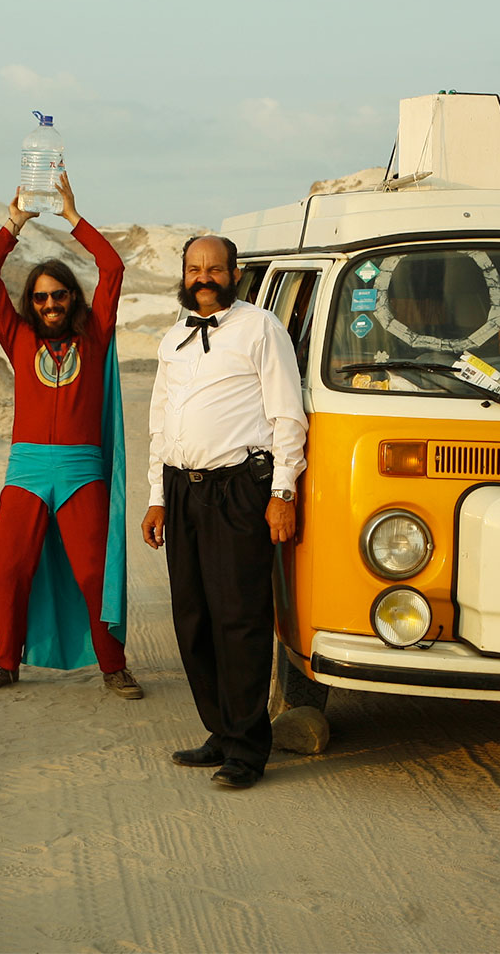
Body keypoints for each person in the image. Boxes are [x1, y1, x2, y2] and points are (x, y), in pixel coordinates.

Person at [141, 236, 307, 790]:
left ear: (234, 274)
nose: (203, 277)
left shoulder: (261, 328)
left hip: (239, 490)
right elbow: (160, 424)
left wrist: (283, 493)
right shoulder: (172, 339)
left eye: (214, 268)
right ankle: (219, 730)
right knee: (193, 618)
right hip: (182, 490)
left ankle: (247, 746)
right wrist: (157, 497)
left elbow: (288, 416)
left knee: (240, 618)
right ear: (183, 275)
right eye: (194, 268)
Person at [0, 172, 141, 699]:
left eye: (59, 296)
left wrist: (71, 216)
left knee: (93, 572)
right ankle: (5, 661)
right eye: (41, 298)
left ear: (73, 298)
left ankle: (113, 665)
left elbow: (112, 268)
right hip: (26, 468)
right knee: (8, 569)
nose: (49, 305)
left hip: (79, 469)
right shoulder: (18, 337)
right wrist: (15, 221)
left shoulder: (94, 334)